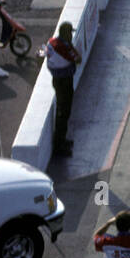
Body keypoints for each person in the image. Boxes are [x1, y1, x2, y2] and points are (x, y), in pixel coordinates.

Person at [45, 20, 82, 156]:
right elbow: (78, 59)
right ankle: (59, 146)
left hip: (58, 80)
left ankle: (62, 141)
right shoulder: (63, 47)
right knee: (63, 112)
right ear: (66, 34)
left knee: (63, 112)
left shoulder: (52, 42)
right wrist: (70, 45)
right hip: (64, 82)